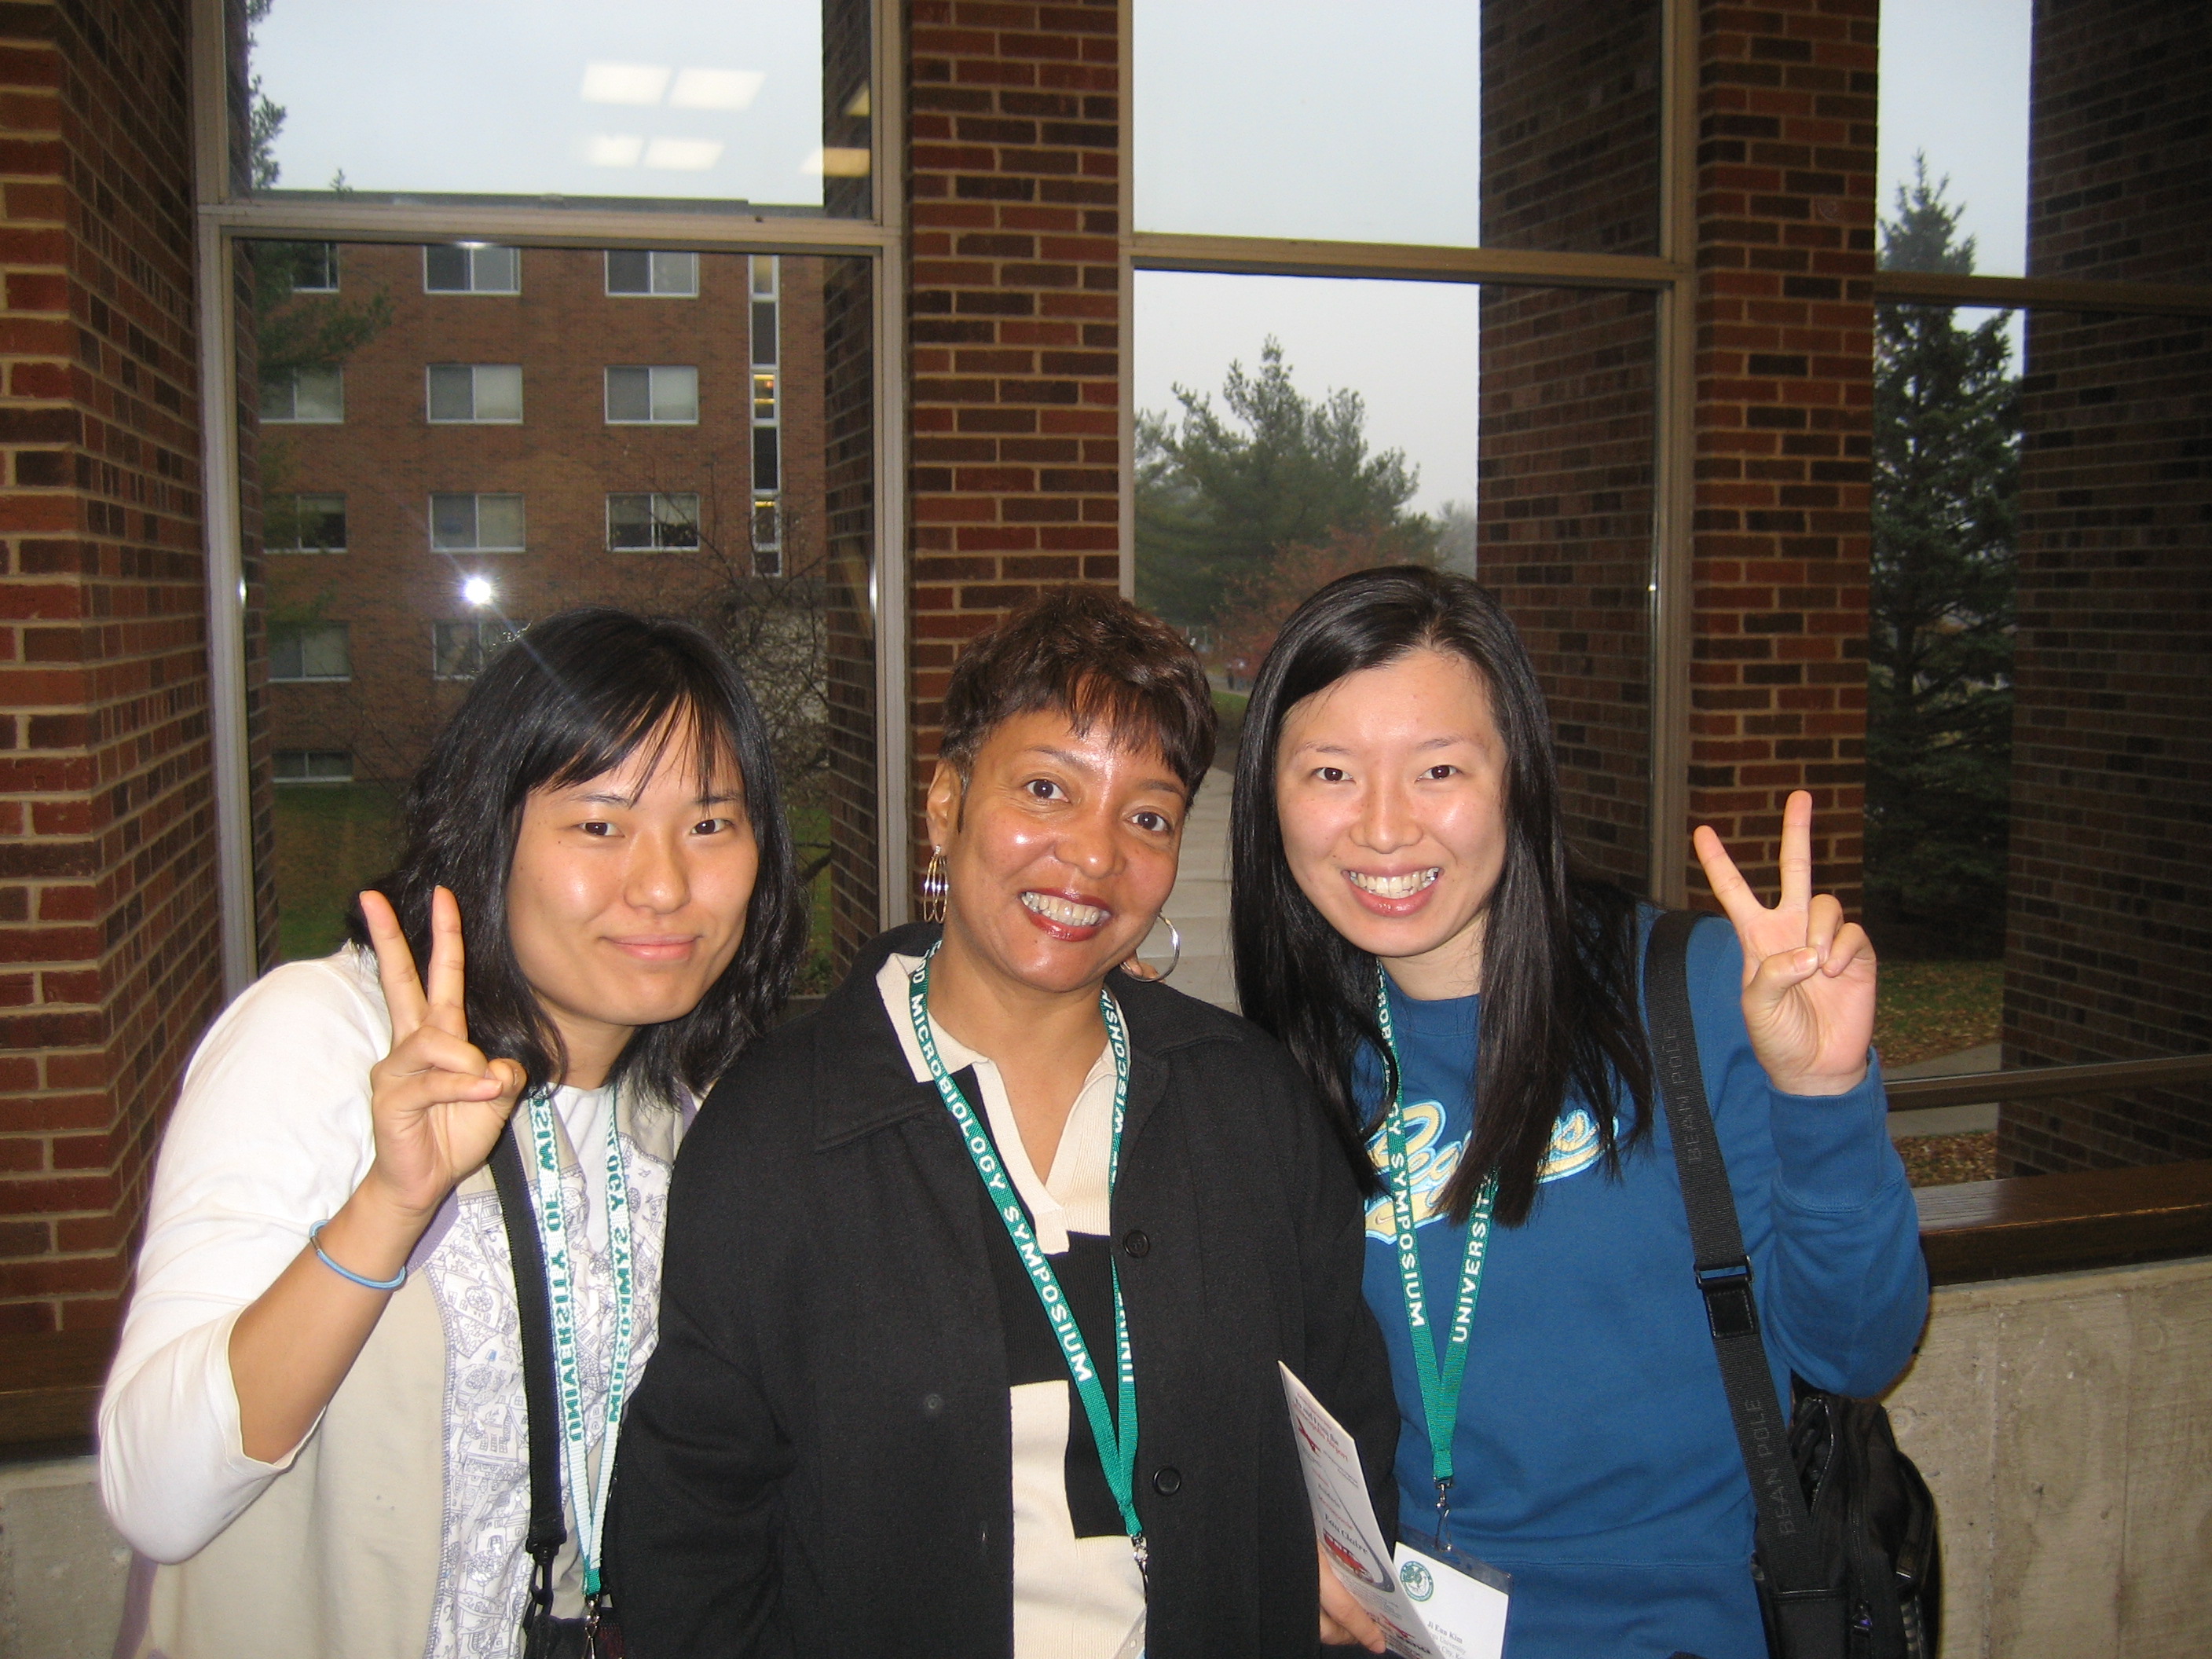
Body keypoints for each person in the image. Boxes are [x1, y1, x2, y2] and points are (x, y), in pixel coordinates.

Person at [610, 587, 1398, 1659]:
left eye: (1148, 816)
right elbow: (692, 1534)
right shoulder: (777, 1131)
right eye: (1046, 789)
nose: (1095, 856)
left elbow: (1347, 1427)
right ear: (946, 803)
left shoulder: (1251, 1104)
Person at [1228, 567, 1928, 1659]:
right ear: (1269, 799)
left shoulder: (1698, 997)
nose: (1383, 827)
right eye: (1330, 772)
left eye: (1439, 769)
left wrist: (1824, 1093)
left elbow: (1856, 1352)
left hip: (1686, 1629)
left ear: (1520, 779)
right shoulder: (1292, 1059)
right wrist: (1291, 1531)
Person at [100, 609, 808, 1659]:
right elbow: (153, 1497)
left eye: (710, 825)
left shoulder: (690, 1103)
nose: (665, 885)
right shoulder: (325, 1040)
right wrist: (389, 1208)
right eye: (599, 825)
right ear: (491, 833)